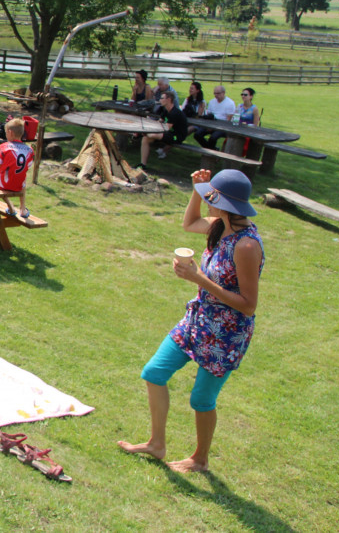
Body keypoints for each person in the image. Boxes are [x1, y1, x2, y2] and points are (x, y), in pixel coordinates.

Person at [118, 168, 264, 473]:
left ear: (226, 204)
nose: (207, 200)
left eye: (211, 197)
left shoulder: (246, 245)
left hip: (226, 333)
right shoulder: (219, 225)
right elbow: (188, 223)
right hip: (197, 319)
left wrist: (198, 278)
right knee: (154, 371)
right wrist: (196, 191)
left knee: (201, 399)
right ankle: (156, 444)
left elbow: (248, 306)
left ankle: (200, 459)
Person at [0, 118, 35, 218]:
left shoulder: (3, 147)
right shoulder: (30, 150)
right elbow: (28, 167)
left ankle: (10, 206)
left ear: (10, 133)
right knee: (24, 180)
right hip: (19, 185)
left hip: (4, 183)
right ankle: (23, 208)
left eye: (6, 132)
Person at [139, 92, 187, 168]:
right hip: (169, 134)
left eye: (162, 98)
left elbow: (166, 128)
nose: (160, 100)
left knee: (152, 135)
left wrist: (149, 131)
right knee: (146, 139)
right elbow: (159, 122)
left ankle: (141, 133)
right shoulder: (165, 110)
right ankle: (142, 165)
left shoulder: (174, 113)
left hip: (177, 137)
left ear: (168, 99)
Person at [194, 85, 237, 150]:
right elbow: (209, 115)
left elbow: (229, 120)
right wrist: (209, 126)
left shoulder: (230, 103)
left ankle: (210, 152)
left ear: (223, 93)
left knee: (213, 138)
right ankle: (212, 149)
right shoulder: (212, 102)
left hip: (223, 126)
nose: (216, 95)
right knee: (197, 134)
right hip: (211, 123)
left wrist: (216, 128)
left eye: (218, 93)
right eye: (215, 93)